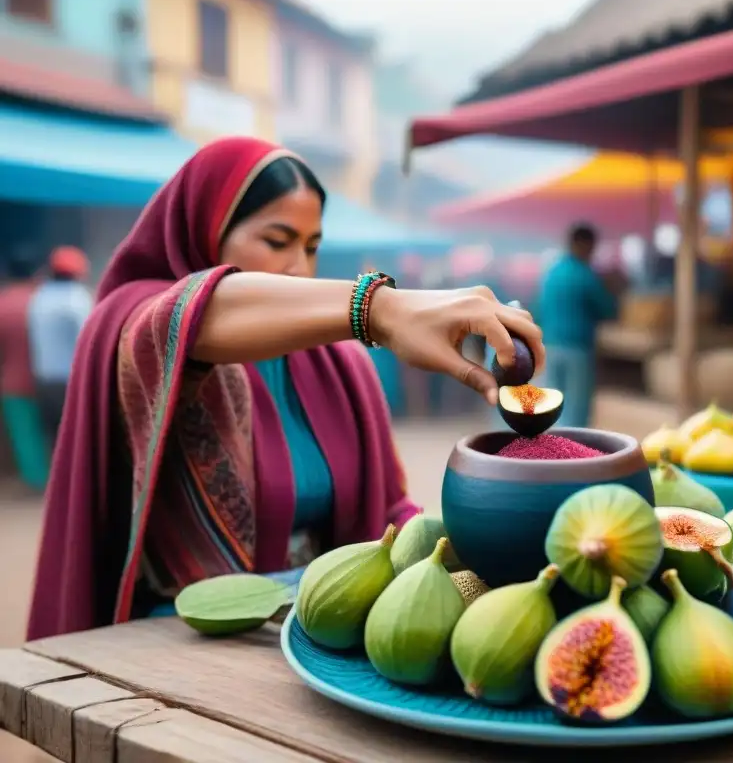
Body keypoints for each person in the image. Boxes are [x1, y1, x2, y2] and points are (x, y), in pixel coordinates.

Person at [27, 137, 544, 640]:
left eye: (312, 246)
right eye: (277, 241)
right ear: (204, 231)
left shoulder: (343, 365)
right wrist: (381, 309)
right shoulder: (134, 321)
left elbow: (387, 515)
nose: (299, 266)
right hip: (173, 649)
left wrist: (475, 546)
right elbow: (184, 316)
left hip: (315, 638)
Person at [535, 223, 621, 427]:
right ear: (585, 244)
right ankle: (574, 455)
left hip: (550, 347)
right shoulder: (585, 275)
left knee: (552, 407)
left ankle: (554, 452)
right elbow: (608, 310)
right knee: (576, 409)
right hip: (576, 349)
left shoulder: (552, 272)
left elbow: (537, 309)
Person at [27, 246, 94, 447]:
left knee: (54, 439)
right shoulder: (78, 299)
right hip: (72, 381)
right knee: (77, 439)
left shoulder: (39, 297)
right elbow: (88, 342)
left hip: (45, 380)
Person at [0, 254, 48, 490]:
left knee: (25, 435)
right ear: (36, 275)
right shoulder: (44, 301)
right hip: (51, 380)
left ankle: (36, 480)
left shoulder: (3, 305)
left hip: (14, 383)